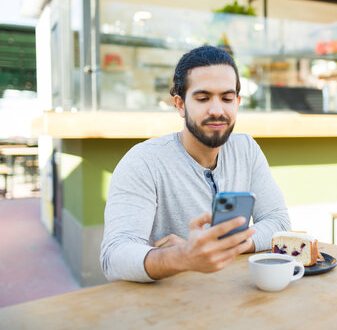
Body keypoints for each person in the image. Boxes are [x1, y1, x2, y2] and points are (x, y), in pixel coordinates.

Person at [100, 45, 291, 282]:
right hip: (162, 306)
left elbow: (279, 223)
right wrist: (182, 256)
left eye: (227, 98)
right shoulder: (143, 162)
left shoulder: (247, 150)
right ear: (180, 105)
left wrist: (216, 246)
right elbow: (114, 256)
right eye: (203, 98)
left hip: (230, 294)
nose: (217, 110)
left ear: (238, 102)